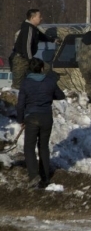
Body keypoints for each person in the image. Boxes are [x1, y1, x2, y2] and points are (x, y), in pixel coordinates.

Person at [17, 58, 65, 189]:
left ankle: (34, 176)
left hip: (31, 118)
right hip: (46, 117)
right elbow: (61, 95)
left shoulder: (25, 83)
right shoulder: (50, 81)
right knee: (43, 146)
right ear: (42, 68)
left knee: (29, 147)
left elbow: (20, 104)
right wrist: (48, 94)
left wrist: (20, 119)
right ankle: (45, 177)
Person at [10, 9, 57, 90]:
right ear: (32, 18)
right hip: (21, 59)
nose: (41, 18)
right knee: (18, 85)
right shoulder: (28, 29)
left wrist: (53, 40)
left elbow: (41, 36)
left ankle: (35, 89)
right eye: (39, 16)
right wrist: (31, 60)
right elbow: (26, 46)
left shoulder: (33, 28)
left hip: (27, 58)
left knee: (46, 68)